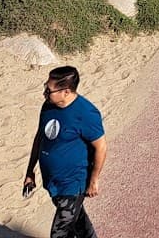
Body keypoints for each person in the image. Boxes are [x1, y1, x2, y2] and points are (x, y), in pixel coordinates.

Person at [24, 65, 106, 238]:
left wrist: (94, 180)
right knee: (79, 225)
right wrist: (30, 171)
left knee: (59, 233)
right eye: (45, 87)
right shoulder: (48, 106)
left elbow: (101, 147)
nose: (45, 93)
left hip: (74, 183)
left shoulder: (86, 113)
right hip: (54, 182)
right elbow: (40, 138)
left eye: (49, 90)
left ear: (66, 91)